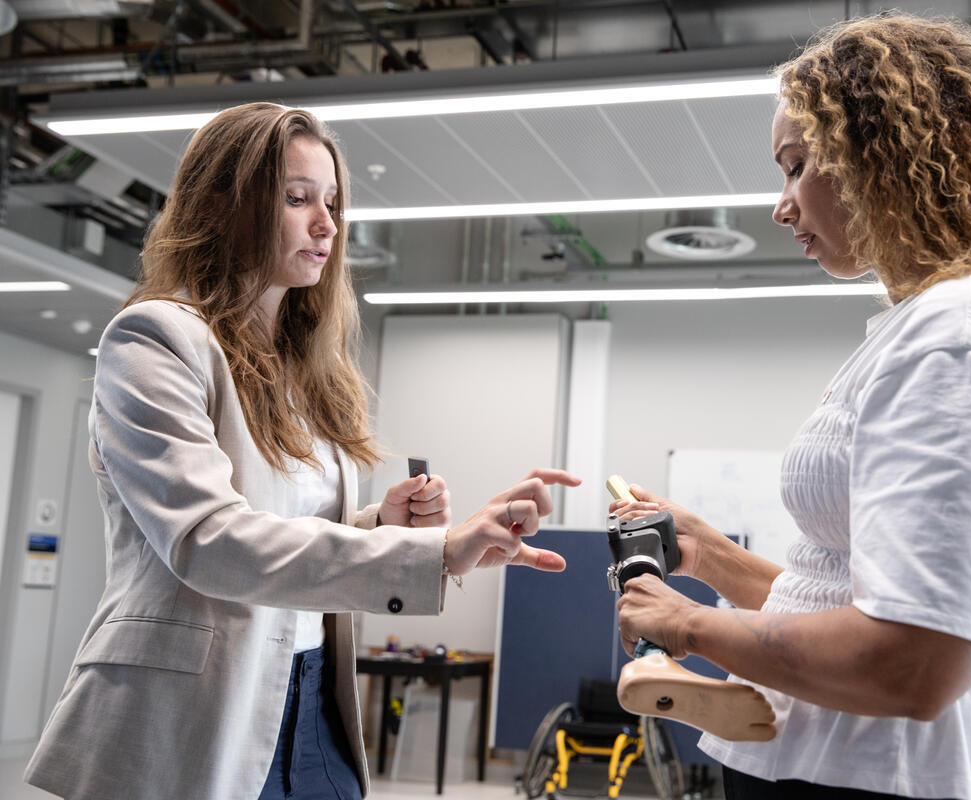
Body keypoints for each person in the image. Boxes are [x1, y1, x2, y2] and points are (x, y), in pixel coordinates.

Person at [610, 13, 971, 800]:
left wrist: (687, 624)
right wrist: (708, 554)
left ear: (880, 156)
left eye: (796, 166)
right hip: (848, 763)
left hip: (895, 775)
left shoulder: (964, 330)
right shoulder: (932, 323)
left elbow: (914, 661)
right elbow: (848, 605)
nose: (783, 206)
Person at [24, 102, 580, 800]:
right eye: (297, 199)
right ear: (220, 206)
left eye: (332, 203)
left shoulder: (306, 369)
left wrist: (383, 527)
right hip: (190, 711)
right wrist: (434, 554)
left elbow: (289, 527)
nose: (327, 225)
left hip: (312, 700)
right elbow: (209, 541)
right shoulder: (156, 339)